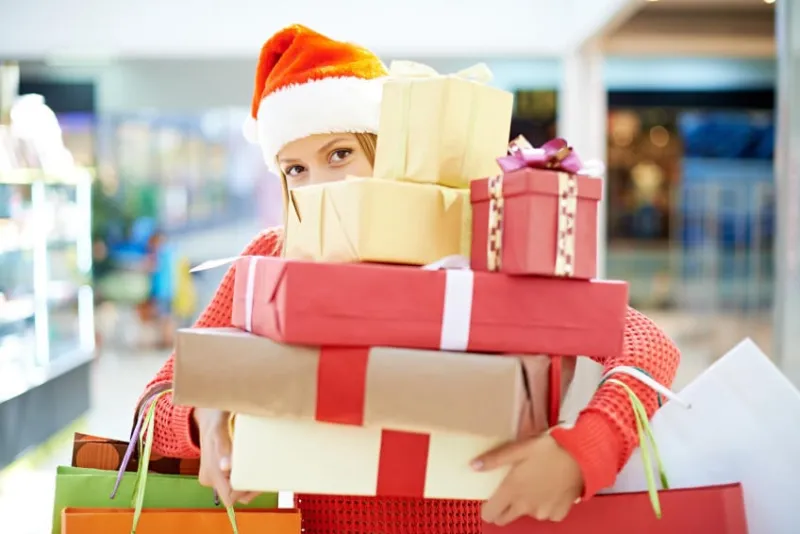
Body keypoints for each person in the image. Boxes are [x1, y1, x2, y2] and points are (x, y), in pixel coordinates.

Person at [138, 24, 680, 532]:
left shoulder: (472, 242)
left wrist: (582, 450)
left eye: (341, 154)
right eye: (295, 169)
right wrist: (204, 413)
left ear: (389, 149)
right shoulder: (276, 257)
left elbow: (647, 348)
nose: (320, 184)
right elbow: (153, 403)